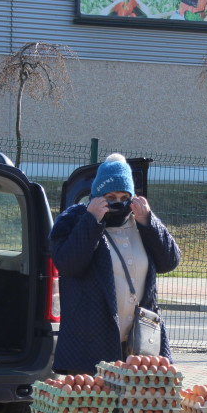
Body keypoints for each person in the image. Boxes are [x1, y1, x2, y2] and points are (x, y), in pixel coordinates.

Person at [49, 154, 181, 374]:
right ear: (96, 196)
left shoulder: (140, 221)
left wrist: (149, 222)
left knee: (139, 396)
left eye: (124, 196)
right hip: (91, 343)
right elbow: (68, 264)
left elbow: (170, 261)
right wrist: (91, 220)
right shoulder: (76, 219)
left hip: (139, 344)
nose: (118, 202)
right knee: (96, 396)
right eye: (110, 197)